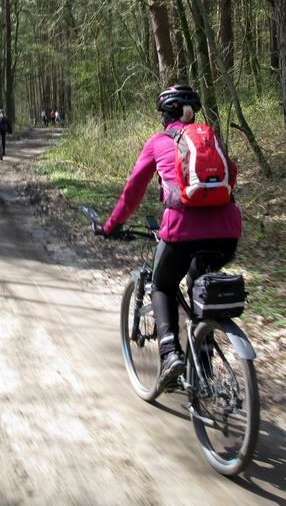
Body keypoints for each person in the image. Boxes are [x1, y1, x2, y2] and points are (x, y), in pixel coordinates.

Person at [97, 85, 242, 391]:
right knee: (200, 293)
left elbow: (132, 191)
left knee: (162, 284)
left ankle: (170, 353)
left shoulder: (159, 142)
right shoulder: (210, 139)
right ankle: (203, 368)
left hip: (182, 230)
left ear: (165, 115)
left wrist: (111, 226)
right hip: (227, 232)